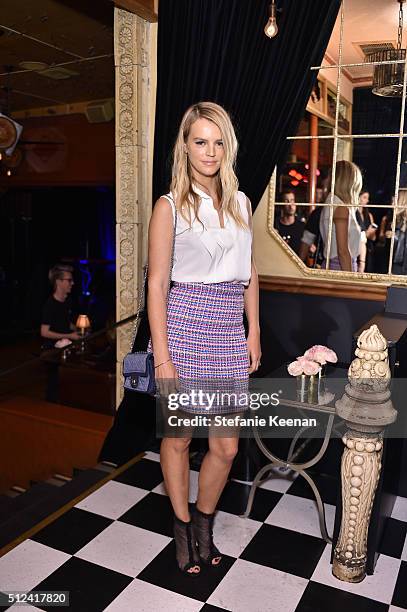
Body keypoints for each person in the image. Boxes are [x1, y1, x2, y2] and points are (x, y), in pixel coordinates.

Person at [147, 102, 261, 575]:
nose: (210, 151)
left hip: (229, 330)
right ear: (186, 146)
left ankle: (204, 524)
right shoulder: (169, 205)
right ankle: (180, 527)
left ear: (227, 146)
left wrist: (253, 330)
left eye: (218, 141)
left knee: (225, 447)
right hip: (185, 324)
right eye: (200, 141)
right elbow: (156, 285)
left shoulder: (241, 202)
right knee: (178, 439)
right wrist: (163, 360)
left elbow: (250, 271)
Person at [41, 264, 80, 402]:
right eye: (69, 280)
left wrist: (77, 329)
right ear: (58, 281)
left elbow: (64, 323)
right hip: (52, 352)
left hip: (64, 348)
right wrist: (69, 336)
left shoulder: (67, 301)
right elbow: (44, 332)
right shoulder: (50, 304)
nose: (72, 283)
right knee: (54, 387)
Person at [319, 160, 364, 272]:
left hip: (334, 265)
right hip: (341, 267)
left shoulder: (331, 202)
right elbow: (343, 252)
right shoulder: (340, 207)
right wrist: (349, 280)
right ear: (350, 183)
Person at [357, 190, 377, 273]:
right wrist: (365, 234)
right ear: (358, 197)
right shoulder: (352, 213)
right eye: (364, 197)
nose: (367, 201)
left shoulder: (369, 215)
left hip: (367, 248)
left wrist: (370, 233)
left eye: (367, 198)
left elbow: (374, 238)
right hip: (356, 248)